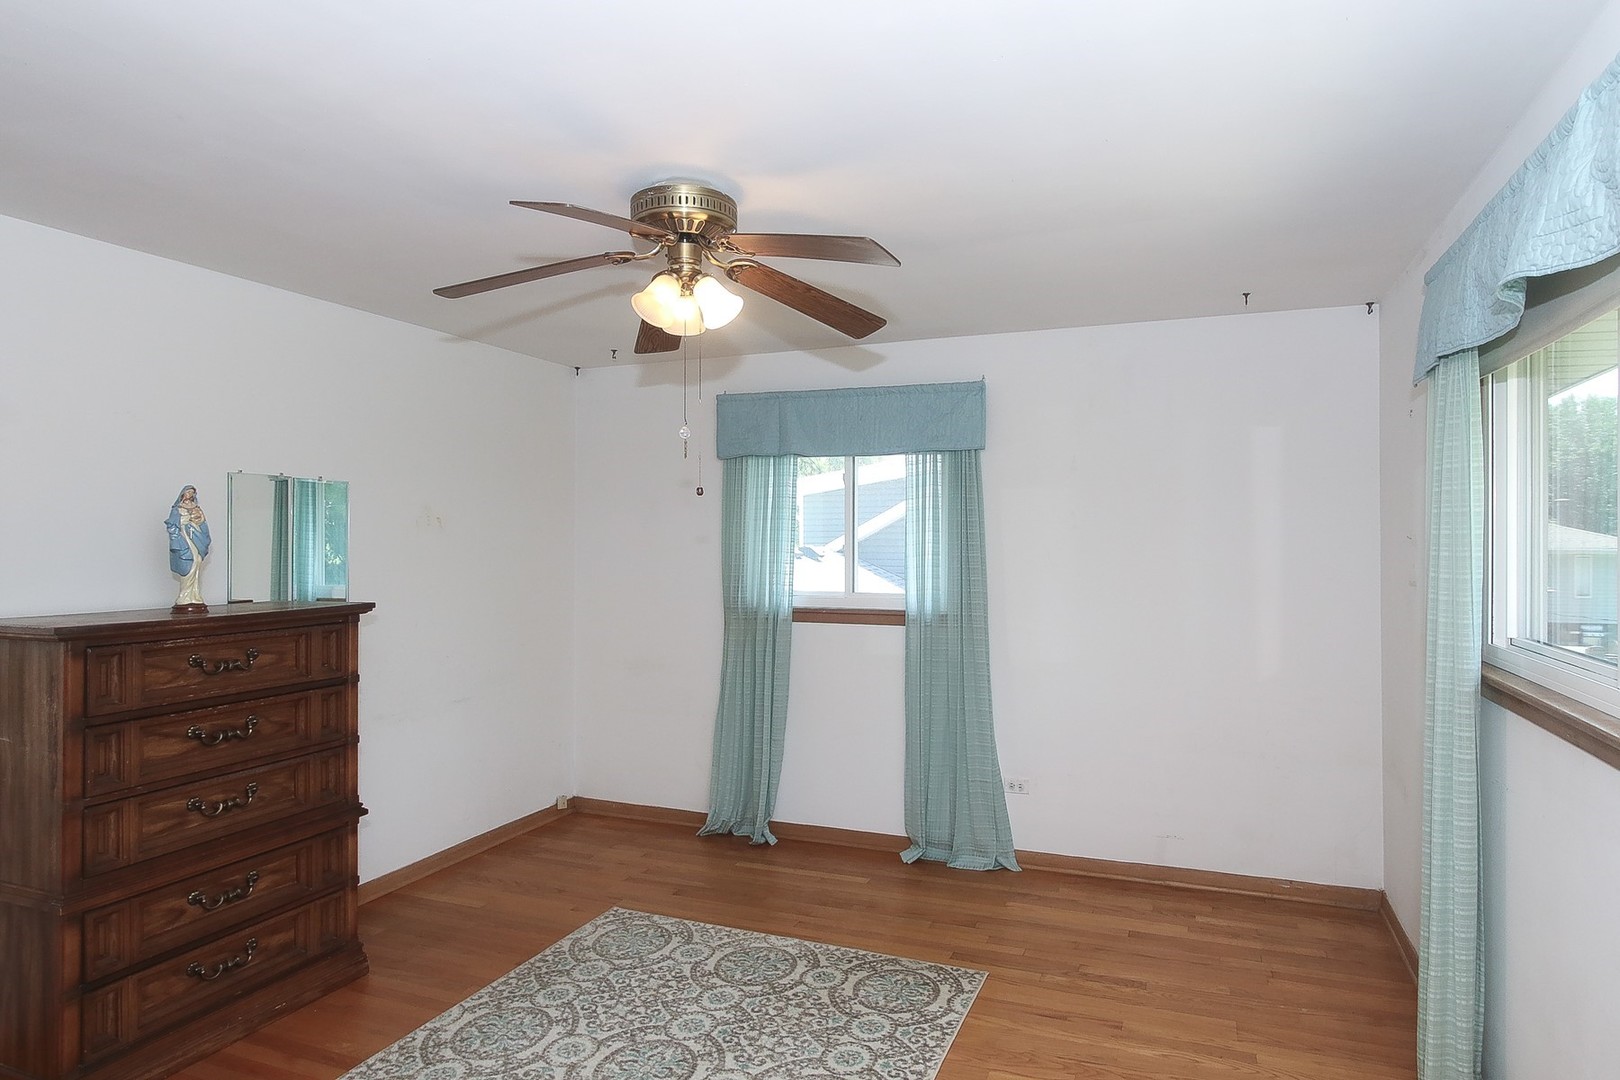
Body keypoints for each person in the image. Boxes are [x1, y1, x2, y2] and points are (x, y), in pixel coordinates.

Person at [166, 485, 211, 609]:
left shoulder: (196, 508)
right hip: (184, 537)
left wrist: (198, 519)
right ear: (183, 494)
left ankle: (194, 594)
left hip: (196, 535)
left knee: (197, 561)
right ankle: (184, 595)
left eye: (192, 493)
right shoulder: (177, 509)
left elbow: (202, 522)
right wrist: (182, 523)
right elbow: (172, 526)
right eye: (188, 492)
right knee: (189, 564)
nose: (190, 495)